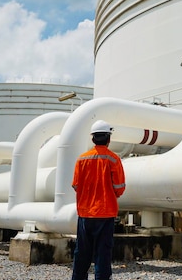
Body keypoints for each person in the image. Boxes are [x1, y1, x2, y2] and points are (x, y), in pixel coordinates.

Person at [71, 120, 126, 280]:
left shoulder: (82, 159)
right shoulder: (114, 159)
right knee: (103, 252)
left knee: (82, 252)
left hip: (85, 214)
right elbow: (120, 188)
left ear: (93, 138)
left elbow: (75, 185)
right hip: (105, 213)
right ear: (108, 138)